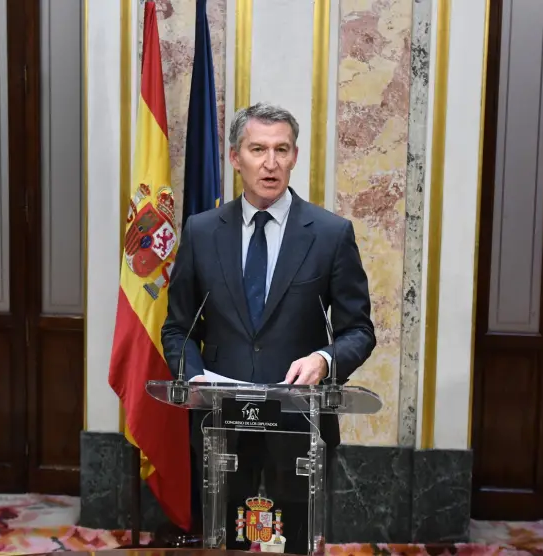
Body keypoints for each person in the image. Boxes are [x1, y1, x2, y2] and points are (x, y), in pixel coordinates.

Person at [161, 102, 376, 554]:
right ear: (235, 157)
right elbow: (178, 329)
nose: (270, 163)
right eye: (257, 149)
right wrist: (195, 377)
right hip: (221, 428)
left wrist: (325, 359)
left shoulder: (331, 234)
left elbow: (358, 330)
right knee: (227, 543)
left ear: (295, 156)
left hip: (299, 427)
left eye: (282, 149)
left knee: (292, 545)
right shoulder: (201, 232)